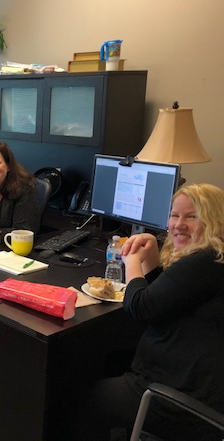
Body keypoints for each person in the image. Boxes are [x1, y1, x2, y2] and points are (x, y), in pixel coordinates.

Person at [71, 183, 224, 441]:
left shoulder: (204, 261)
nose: (179, 224)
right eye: (174, 215)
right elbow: (164, 299)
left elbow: (141, 306)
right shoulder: (213, 260)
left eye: (192, 217)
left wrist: (131, 261)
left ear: (214, 221)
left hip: (177, 397)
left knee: (81, 397)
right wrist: (151, 256)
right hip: (190, 380)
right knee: (105, 363)